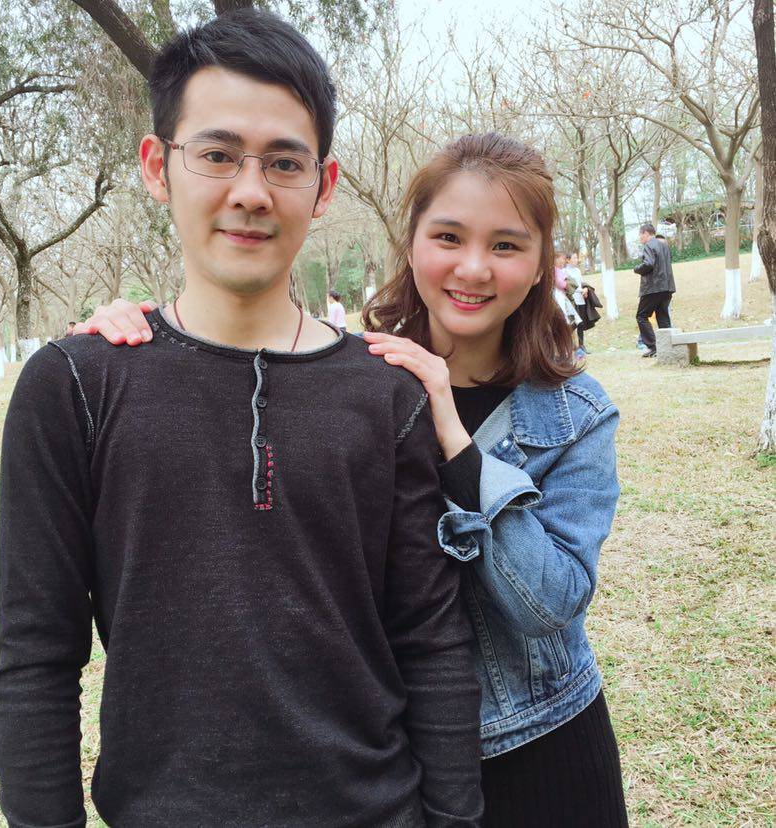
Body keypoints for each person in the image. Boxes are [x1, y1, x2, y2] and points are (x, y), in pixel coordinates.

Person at [0, 10, 483, 827]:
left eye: (284, 163)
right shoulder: (74, 386)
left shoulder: (386, 395)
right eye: (217, 155)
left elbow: (432, 642)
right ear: (158, 167)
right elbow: (36, 661)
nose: (251, 192)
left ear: (324, 186)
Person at [83, 133, 628, 826]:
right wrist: (133, 340)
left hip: (542, 745)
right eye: (448, 237)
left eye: (506, 245)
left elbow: (551, 604)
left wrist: (457, 443)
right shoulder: (345, 378)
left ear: (540, 260)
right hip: (386, 760)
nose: (473, 268)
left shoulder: (575, 414)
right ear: (412, 242)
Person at [633, 222, 675, 358]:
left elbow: (649, 264)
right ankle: (668, 347)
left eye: (640, 234)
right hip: (667, 287)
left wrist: (637, 269)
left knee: (641, 316)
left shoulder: (649, 245)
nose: (640, 237)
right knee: (663, 317)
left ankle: (653, 347)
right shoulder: (664, 246)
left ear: (646, 233)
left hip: (653, 287)